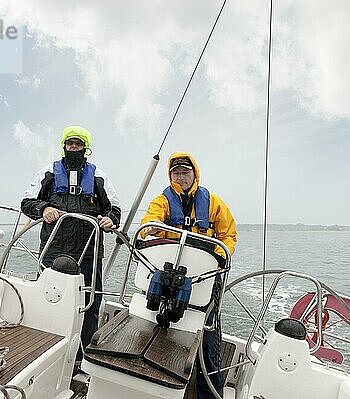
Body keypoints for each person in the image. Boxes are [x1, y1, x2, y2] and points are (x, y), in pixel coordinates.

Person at [21, 125, 121, 366]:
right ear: (64, 146)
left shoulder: (99, 177)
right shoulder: (47, 173)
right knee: (48, 299)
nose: (73, 147)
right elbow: (27, 202)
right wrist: (43, 209)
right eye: (70, 143)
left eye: (78, 144)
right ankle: (43, 352)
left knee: (89, 304)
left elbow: (114, 207)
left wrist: (111, 219)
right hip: (53, 250)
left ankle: (82, 357)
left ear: (86, 148)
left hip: (89, 251)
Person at [141, 152, 237, 399]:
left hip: (204, 278)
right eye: (176, 173)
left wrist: (217, 258)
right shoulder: (161, 201)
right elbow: (148, 222)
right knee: (152, 328)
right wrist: (151, 226)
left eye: (185, 172)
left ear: (194, 174)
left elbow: (228, 235)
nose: (181, 177)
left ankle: (210, 393)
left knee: (209, 343)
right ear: (170, 175)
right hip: (168, 276)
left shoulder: (213, 202)